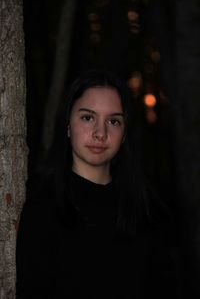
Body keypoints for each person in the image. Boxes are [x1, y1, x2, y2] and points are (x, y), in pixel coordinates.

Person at [16, 69, 178, 299]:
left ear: (124, 134)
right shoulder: (40, 206)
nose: (100, 133)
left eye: (113, 121)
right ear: (68, 125)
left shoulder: (148, 211)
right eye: (88, 117)